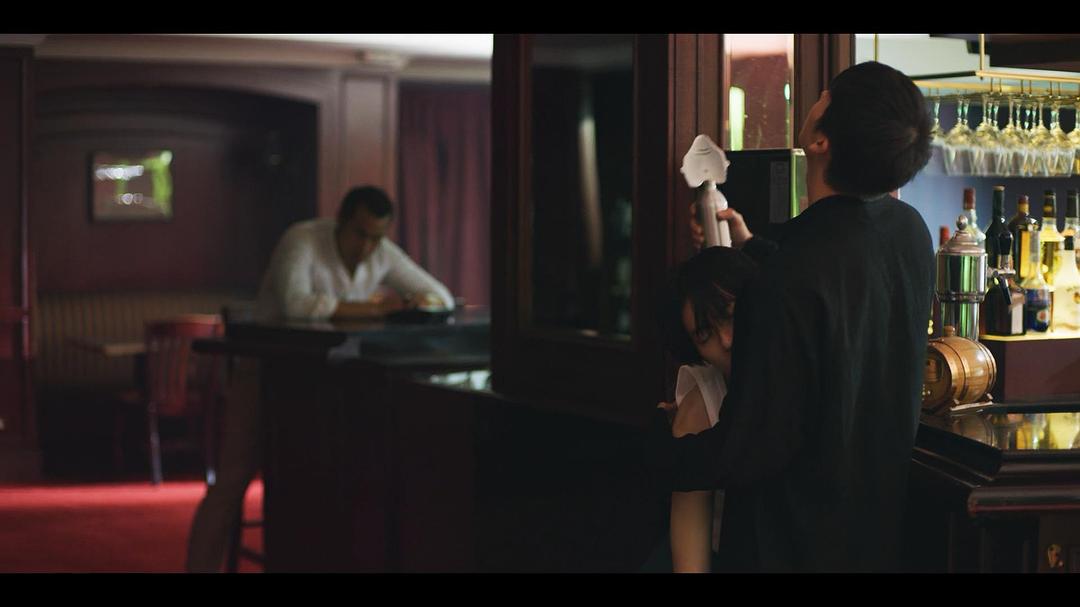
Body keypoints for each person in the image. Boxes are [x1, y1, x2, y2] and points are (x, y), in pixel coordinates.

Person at [648, 61, 935, 572]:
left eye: (827, 95)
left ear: (821, 141)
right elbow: (842, 283)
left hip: (793, 545)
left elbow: (751, 449)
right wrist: (751, 245)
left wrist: (656, 449)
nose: (818, 95)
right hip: (876, 535)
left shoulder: (787, 277)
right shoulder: (910, 233)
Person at [186, 185, 453, 572]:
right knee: (233, 478)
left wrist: (410, 305)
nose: (366, 247)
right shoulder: (302, 240)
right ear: (340, 222)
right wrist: (375, 308)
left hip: (321, 385)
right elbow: (296, 305)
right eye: (360, 234)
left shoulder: (381, 251)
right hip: (261, 372)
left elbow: (441, 297)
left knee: (325, 481)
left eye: (376, 238)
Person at [655, 246, 759, 572]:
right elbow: (691, 564)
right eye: (705, 334)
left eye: (729, 315)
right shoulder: (700, 405)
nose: (726, 340)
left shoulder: (796, 372)